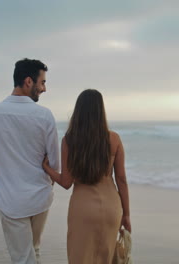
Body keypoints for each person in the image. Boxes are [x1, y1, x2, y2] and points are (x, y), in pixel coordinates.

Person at [0, 58, 59, 264]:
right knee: (33, 249)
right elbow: (55, 162)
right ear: (29, 81)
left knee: (23, 257)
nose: (44, 88)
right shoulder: (45, 115)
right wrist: (50, 182)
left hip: (11, 198)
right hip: (40, 196)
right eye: (43, 82)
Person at [42, 89, 131, 264]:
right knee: (106, 257)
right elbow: (121, 179)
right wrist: (126, 214)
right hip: (111, 208)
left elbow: (66, 182)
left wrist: (47, 168)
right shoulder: (114, 139)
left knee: (80, 258)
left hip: (82, 209)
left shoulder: (69, 140)